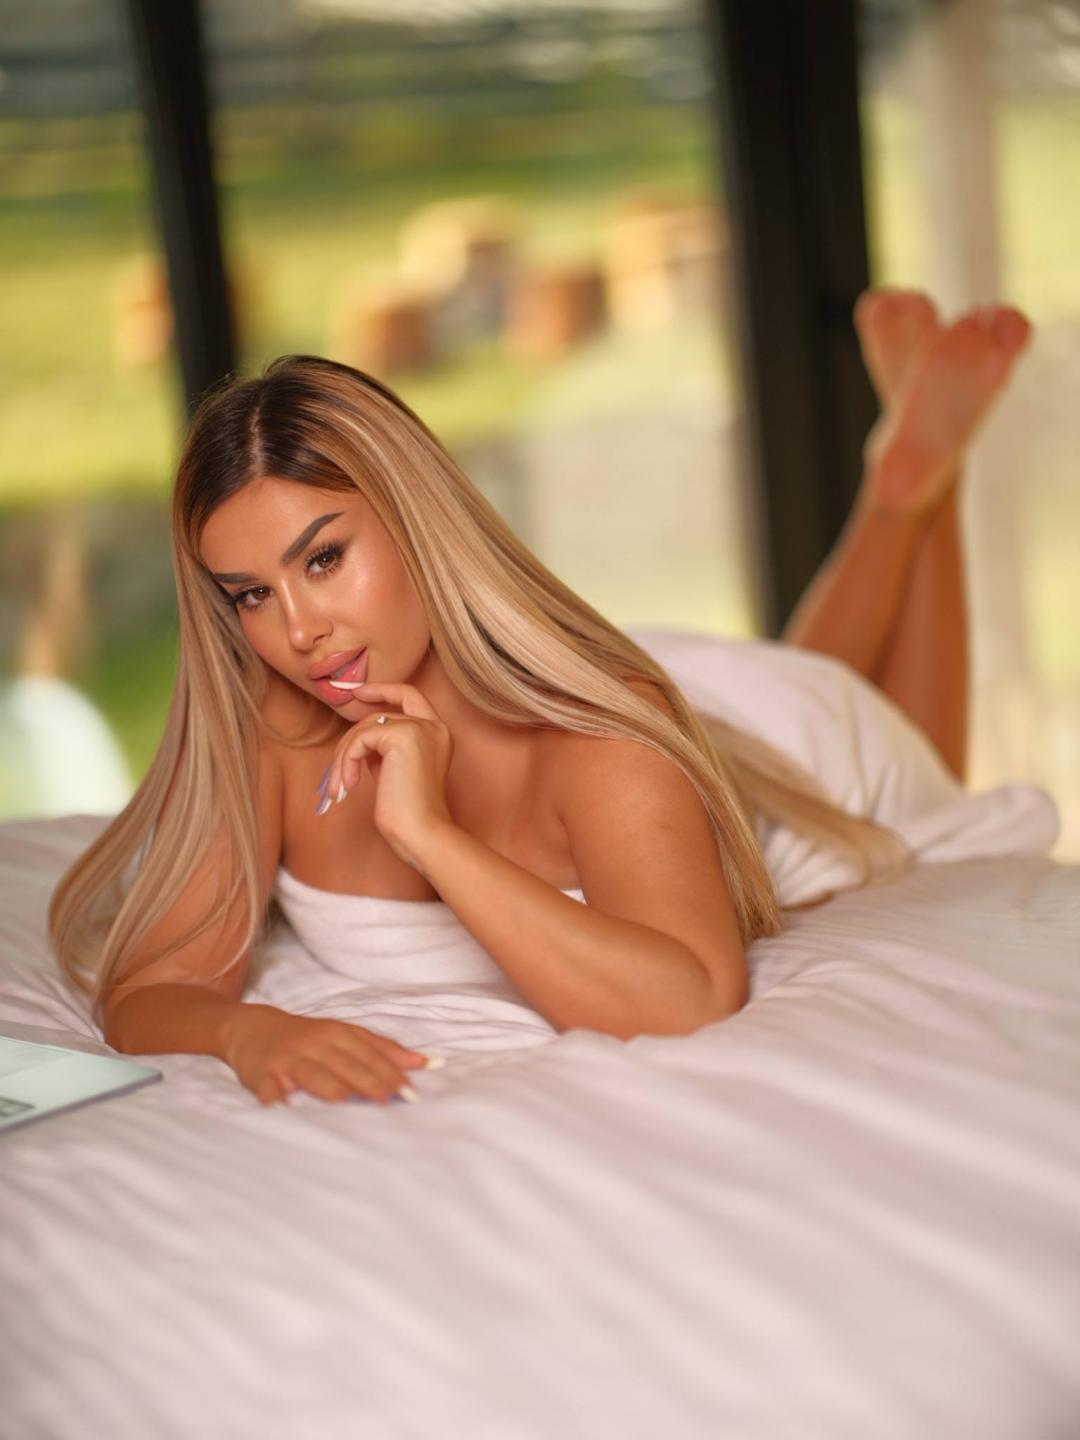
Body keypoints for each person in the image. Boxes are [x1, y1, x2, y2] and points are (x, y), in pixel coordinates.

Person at [47, 287, 1031, 1110]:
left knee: (903, 746)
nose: (298, 631)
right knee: (787, 676)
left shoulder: (598, 737)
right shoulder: (277, 724)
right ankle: (905, 479)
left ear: (415, 518)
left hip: (780, 739)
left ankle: (914, 490)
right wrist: (247, 1031)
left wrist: (432, 837)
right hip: (653, 696)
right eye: (252, 595)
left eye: (325, 558)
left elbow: (691, 997)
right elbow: (155, 989)